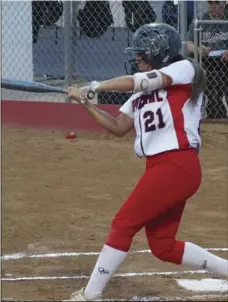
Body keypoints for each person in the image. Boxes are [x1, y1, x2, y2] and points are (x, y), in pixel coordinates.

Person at [65, 23, 228, 301]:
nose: (137, 57)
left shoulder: (184, 70)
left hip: (176, 164)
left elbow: (138, 80)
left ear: (159, 52)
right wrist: (87, 102)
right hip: (162, 168)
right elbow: (118, 126)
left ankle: (90, 295)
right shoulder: (141, 93)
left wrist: (95, 86)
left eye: (142, 53)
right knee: (163, 246)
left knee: (123, 223)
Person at [187, 0, 228, 119]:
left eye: (216, 2)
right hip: (207, 59)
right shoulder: (200, 20)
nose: (212, 5)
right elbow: (188, 44)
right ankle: (205, 102)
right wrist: (199, 49)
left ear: (224, 3)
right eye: (210, 2)